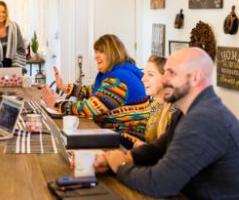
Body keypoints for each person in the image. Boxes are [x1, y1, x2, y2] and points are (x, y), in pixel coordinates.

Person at [94, 47, 239, 199]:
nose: (164, 79)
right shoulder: (186, 112)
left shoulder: (205, 119)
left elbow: (160, 183)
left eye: (172, 73)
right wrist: (125, 157)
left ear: (196, 78)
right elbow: (156, 150)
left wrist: (120, 167)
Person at [42, 34, 150, 147]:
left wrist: (57, 105)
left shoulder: (119, 80)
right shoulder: (116, 73)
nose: (96, 56)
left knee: (64, 141)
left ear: (112, 53)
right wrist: (64, 87)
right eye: (96, 52)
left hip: (126, 140)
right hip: (114, 133)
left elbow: (91, 107)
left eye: (101, 51)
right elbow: (93, 91)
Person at [134, 55, 176, 146]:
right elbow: (150, 140)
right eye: (144, 74)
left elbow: (170, 151)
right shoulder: (154, 105)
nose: (143, 79)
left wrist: (144, 148)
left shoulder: (175, 111)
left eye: (150, 74)